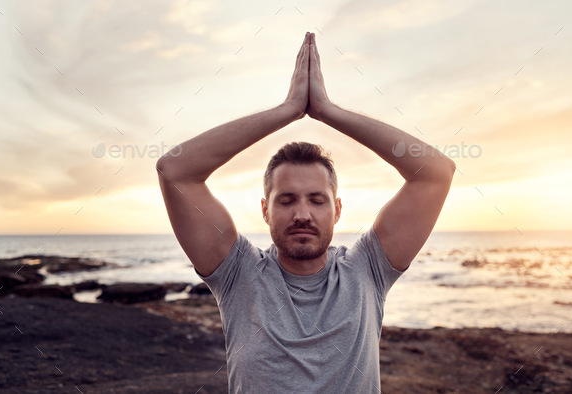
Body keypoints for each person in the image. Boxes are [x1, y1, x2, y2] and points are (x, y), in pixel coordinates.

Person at [157, 32, 455, 393]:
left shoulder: (366, 270)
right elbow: (175, 171)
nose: (302, 214)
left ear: (337, 209)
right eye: (286, 200)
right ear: (266, 210)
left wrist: (329, 111)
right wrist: (287, 110)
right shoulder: (238, 274)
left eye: (317, 200)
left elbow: (436, 174)